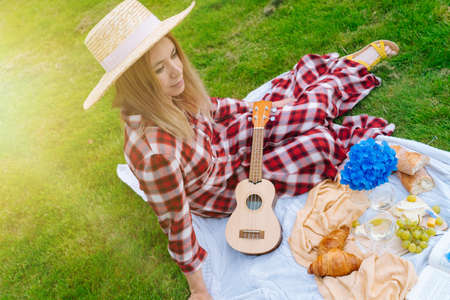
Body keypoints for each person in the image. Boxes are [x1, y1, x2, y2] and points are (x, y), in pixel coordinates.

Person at [82, 1, 399, 299]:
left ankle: (348, 69)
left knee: (301, 110)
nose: (176, 71)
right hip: (226, 187)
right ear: (137, 82)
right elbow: (176, 222)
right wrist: (199, 290)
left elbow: (214, 109)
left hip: (224, 141)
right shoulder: (154, 155)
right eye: (159, 70)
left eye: (173, 57)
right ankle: (342, 77)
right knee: (319, 144)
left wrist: (260, 107)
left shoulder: (170, 93)